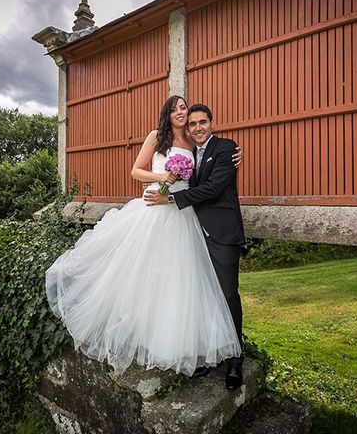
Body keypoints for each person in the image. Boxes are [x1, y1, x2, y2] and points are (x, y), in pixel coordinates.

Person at [45, 95, 242, 380]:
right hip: (155, 209)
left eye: (184, 108)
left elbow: (212, 172)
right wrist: (162, 178)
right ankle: (149, 336)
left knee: (186, 281)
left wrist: (236, 156)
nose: (181, 112)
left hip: (185, 216)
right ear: (167, 112)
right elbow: (136, 170)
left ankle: (203, 346)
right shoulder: (157, 137)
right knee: (147, 276)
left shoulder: (193, 141)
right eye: (175, 108)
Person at [144, 103, 245, 390]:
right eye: (192, 124)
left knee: (227, 296)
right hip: (192, 232)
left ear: (212, 123)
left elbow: (213, 188)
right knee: (204, 296)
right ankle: (213, 354)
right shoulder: (190, 152)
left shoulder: (226, 149)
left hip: (222, 234)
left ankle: (236, 359)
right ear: (187, 128)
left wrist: (172, 200)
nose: (198, 127)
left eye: (202, 122)